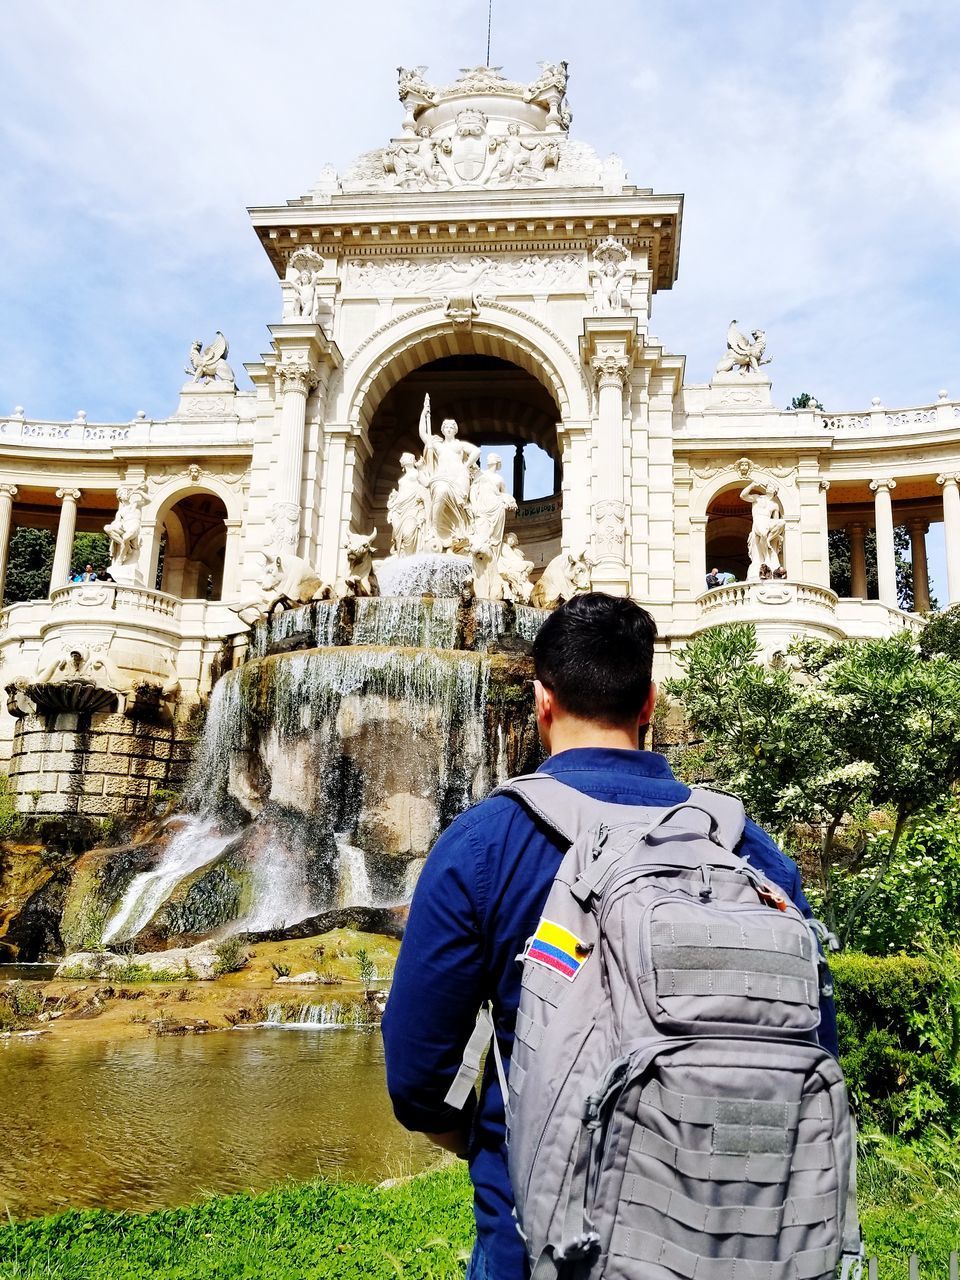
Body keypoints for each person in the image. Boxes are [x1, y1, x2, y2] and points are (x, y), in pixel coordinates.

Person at [382, 592, 837, 1280]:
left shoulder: (483, 843)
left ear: (542, 699)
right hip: (735, 1236)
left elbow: (419, 1078)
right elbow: (816, 1045)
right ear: (649, 702)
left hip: (542, 1245)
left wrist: (499, 1141)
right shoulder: (752, 851)